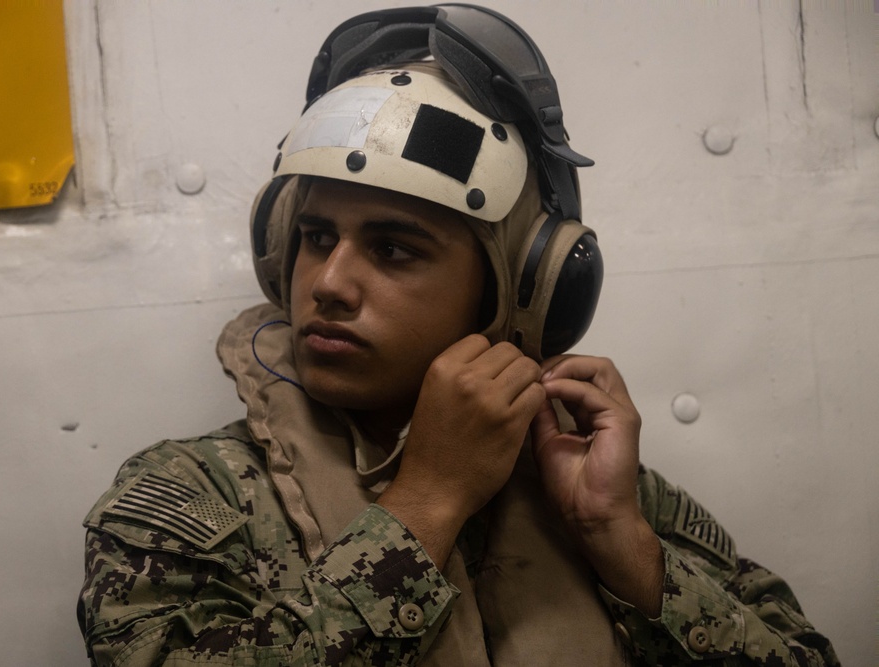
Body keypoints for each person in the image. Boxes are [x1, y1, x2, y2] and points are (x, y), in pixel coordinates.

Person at [77, 6, 840, 666]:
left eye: (393, 248)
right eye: (314, 236)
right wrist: (427, 502)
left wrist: (620, 541)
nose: (330, 282)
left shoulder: (598, 486)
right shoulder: (187, 500)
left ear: (519, 291)